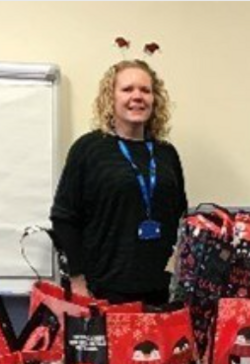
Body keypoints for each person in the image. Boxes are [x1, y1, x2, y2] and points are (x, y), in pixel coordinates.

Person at [50, 58, 187, 306]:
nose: (137, 96)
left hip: (160, 291)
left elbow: (180, 216)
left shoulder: (167, 154)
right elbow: (64, 218)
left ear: (155, 99)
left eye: (145, 90)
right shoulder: (88, 149)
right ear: (110, 98)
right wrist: (78, 283)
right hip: (103, 292)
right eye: (127, 89)